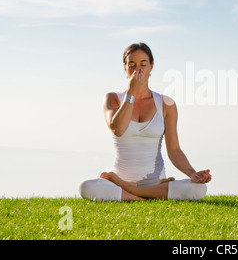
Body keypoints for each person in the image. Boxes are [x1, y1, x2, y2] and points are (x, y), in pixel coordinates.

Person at [79, 43, 211, 201]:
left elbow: (174, 150)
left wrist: (192, 174)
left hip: (155, 182)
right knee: (86, 187)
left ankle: (130, 192)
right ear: (125, 68)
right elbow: (118, 129)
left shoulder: (166, 103)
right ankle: (141, 195)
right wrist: (132, 92)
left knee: (199, 189)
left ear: (151, 66)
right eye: (132, 65)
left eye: (143, 64)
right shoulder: (112, 98)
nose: (138, 70)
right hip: (119, 182)